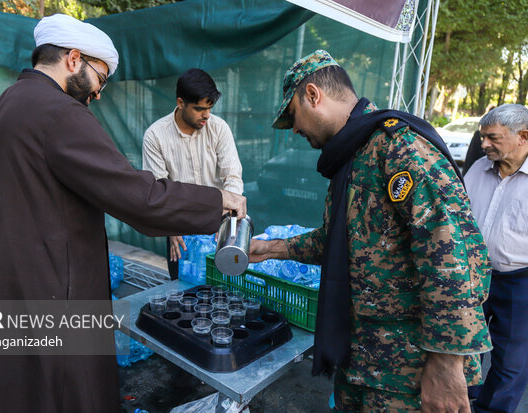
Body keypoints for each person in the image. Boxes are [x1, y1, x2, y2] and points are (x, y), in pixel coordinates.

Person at [0, 14, 246, 413]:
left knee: (11, 390)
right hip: (54, 299)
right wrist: (217, 200)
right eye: (100, 77)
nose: (98, 93)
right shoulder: (59, 113)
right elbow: (139, 197)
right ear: (73, 59)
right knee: (62, 393)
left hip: (3, 294)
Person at [249, 49, 492, 411]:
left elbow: (455, 256)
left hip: (408, 373)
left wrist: (446, 362)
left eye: (293, 116)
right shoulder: (354, 155)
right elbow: (344, 241)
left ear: (313, 95)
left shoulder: (400, 149)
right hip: (362, 359)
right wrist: (271, 249)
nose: (295, 129)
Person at [142, 68, 243, 279]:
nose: (207, 115)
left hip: (218, 224)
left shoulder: (219, 128)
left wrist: (227, 219)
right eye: (199, 109)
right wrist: (170, 228)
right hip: (177, 226)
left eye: (210, 108)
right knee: (183, 290)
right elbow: (157, 190)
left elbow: (232, 176)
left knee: (222, 288)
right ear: (180, 103)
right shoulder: (155, 136)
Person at [464, 104, 528, 413]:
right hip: (472, 274)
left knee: (511, 362)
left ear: (522, 137)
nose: (484, 144)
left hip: (520, 281)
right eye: (482, 137)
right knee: (464, 347)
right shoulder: (478, 168)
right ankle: (460, 402)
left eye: (492, 138)